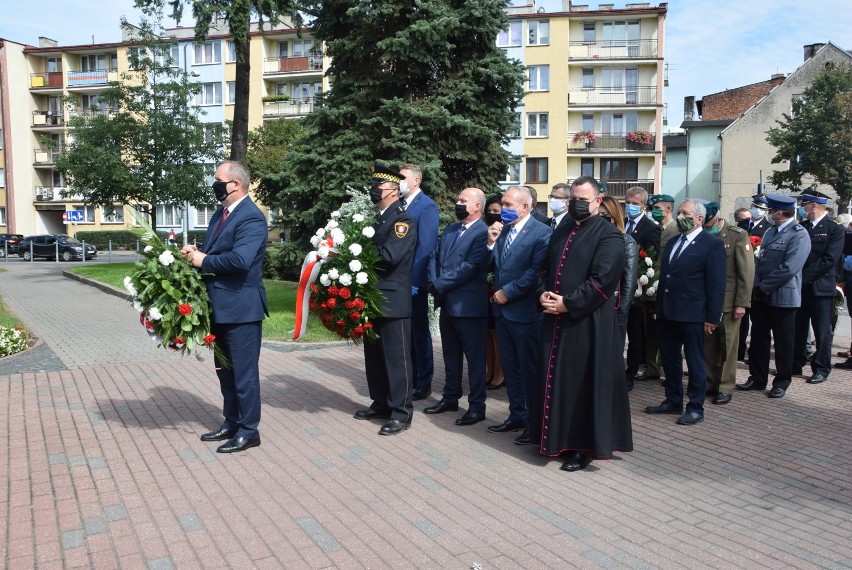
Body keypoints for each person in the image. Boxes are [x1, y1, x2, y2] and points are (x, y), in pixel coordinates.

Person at [527, 175, 631, 472]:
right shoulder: (562, 229)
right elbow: (542, 269)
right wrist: (544, 295)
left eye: (582, 200)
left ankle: (581, 447)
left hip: (588, 322)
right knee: (553, 379)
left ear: (598, 201)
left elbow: (602, 282)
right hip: (555, 319)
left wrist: (567, 303)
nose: (576, 204)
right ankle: (551, 438)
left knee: (581, 385)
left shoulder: (610, 236)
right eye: (572, 199)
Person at [182, 161, 269, 453]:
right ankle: (231, 422)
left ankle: (249, 430)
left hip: (242, 309)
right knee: (225, 371)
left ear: (235, 184)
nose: (214, 183)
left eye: (218, 179)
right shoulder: (222, 213)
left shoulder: (252, 218)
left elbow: (240, 260)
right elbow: (216, 252)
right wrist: (196, 253)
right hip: (219, 306)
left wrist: (203, 260)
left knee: (244, 373)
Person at [646, 199, 725, 425]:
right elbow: (665, 279)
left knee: (695, 362)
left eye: (686, 213)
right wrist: (659, 308)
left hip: (694, 314)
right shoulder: (673, 242)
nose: (681, 216)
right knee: (670, 361)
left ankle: (695, 407)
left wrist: (712, 317)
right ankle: (673, 400)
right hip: (668, 313)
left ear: (699, 219)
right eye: (679, 212)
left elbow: (716, 284)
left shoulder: (711, 244)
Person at [354, 164, 417, 435]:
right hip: (373, 297)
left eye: (378, 186)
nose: (373, 190)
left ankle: (401, 412)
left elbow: (391, 256)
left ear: (393, 190)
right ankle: (380, 402)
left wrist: (358, 253)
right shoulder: (377, 218)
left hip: (392, 300)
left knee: (396, 359)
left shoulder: (403, 220)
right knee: (375, 358)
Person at [485, 186, 550, 441]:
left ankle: (535, 423)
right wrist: (490, 242)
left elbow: (536, 273)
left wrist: (508, 292)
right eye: (503, 204)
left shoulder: (542, 233)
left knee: (529, 370)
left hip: (525, 314)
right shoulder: (502, 230)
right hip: (503, 314)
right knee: (511, 368)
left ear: (526, 207)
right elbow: (490, 266)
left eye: (510, 205)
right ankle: (517, 415)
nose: (504, 209)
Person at [425, 187, 489, 426]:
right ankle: (450, 397)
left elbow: (471, 267)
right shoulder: (452, 229)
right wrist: (433, 281)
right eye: (458, 198)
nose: (458, 203)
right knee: (450, 355)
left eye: (463, 200)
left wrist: (439, 284)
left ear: (476, 207)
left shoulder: (483, 233)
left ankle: (476, 405)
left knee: (474, 359)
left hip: (470, 306)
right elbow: (436, 256)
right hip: (448, 304)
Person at [736, 194, 810, 399]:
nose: (767, 213)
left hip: (783, 297)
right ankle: (757, 378)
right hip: (761, 295)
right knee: (758, 339)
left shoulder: (799, 234)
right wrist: (755, 285)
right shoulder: (770, 232)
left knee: (783, 342)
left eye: (771, 210)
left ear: (780, 212)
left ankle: (782, 381)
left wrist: (764, 287)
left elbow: (790, 267)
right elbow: (759, 262)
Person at [701, 202, 754, 405]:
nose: (707, 226)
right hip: (707, 301)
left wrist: (742, 302)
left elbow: (746, 272)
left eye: (709, 222)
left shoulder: (737, 235)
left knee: (728, 345)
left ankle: (725, 386)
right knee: (709, 345)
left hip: (729, 302)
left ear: (718, 217)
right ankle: (710, 382)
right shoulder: (703, 234)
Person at [792, 188, 844, 385]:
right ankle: (795, 363)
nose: (803, 208)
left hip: (821, 288)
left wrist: (804, 277)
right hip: (801, 287)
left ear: (814, 205)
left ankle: (821, 368)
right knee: (798, 328)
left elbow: (829, 259)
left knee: (822, 332)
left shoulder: (834, 228)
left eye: (804, 204)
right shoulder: (802, 226)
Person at [398, 164, 440, 401]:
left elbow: (426, 246)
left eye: (403, 178)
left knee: (418, 333)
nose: (399, 181)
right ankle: (409, 378)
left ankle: (424, 382)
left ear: (416, 181)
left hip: (413, 281)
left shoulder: (426, 206)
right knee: (404, 333)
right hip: (397, 280)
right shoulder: (401, 205)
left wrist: (415, 280)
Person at [599, 195, 639, 390]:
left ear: (614, 217)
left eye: (605, 215)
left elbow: (628, 283)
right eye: (597, 215)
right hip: (589, 306)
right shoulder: (588, 238)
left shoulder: (626, 241)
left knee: (610, 355)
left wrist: (621, 315)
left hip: (613, 308)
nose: (601, 219)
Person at [623, 187, 661, 384]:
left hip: (637, 289)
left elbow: (652, 258)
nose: (630, 207)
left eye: (635, 204)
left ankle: (630, 372)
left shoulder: (650, 227)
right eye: (628, 202)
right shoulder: (620, 223)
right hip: (618, 286)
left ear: (644, 206)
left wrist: (640, 278)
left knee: (635, 334)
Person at [484, 194, 504, 390]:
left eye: (496, 212)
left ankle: (500, 371)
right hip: (485, 290)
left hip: (499, 290)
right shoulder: (485, 231)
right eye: (489, 212)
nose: (492, 215)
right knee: (487, 334)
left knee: (497, 334)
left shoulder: (506, 231)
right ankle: (489, 370)